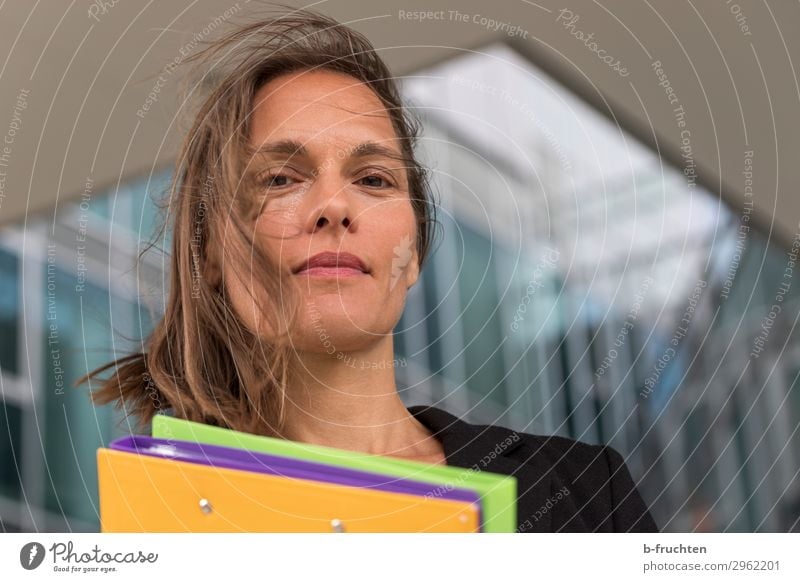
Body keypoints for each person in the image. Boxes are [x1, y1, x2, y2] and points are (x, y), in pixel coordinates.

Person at [78, 7, 657, 533]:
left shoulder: (585, 491)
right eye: (280, 178)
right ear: (209, 252)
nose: (334, 205)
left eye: (374, 179)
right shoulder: (159, 519)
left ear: (413, 255)